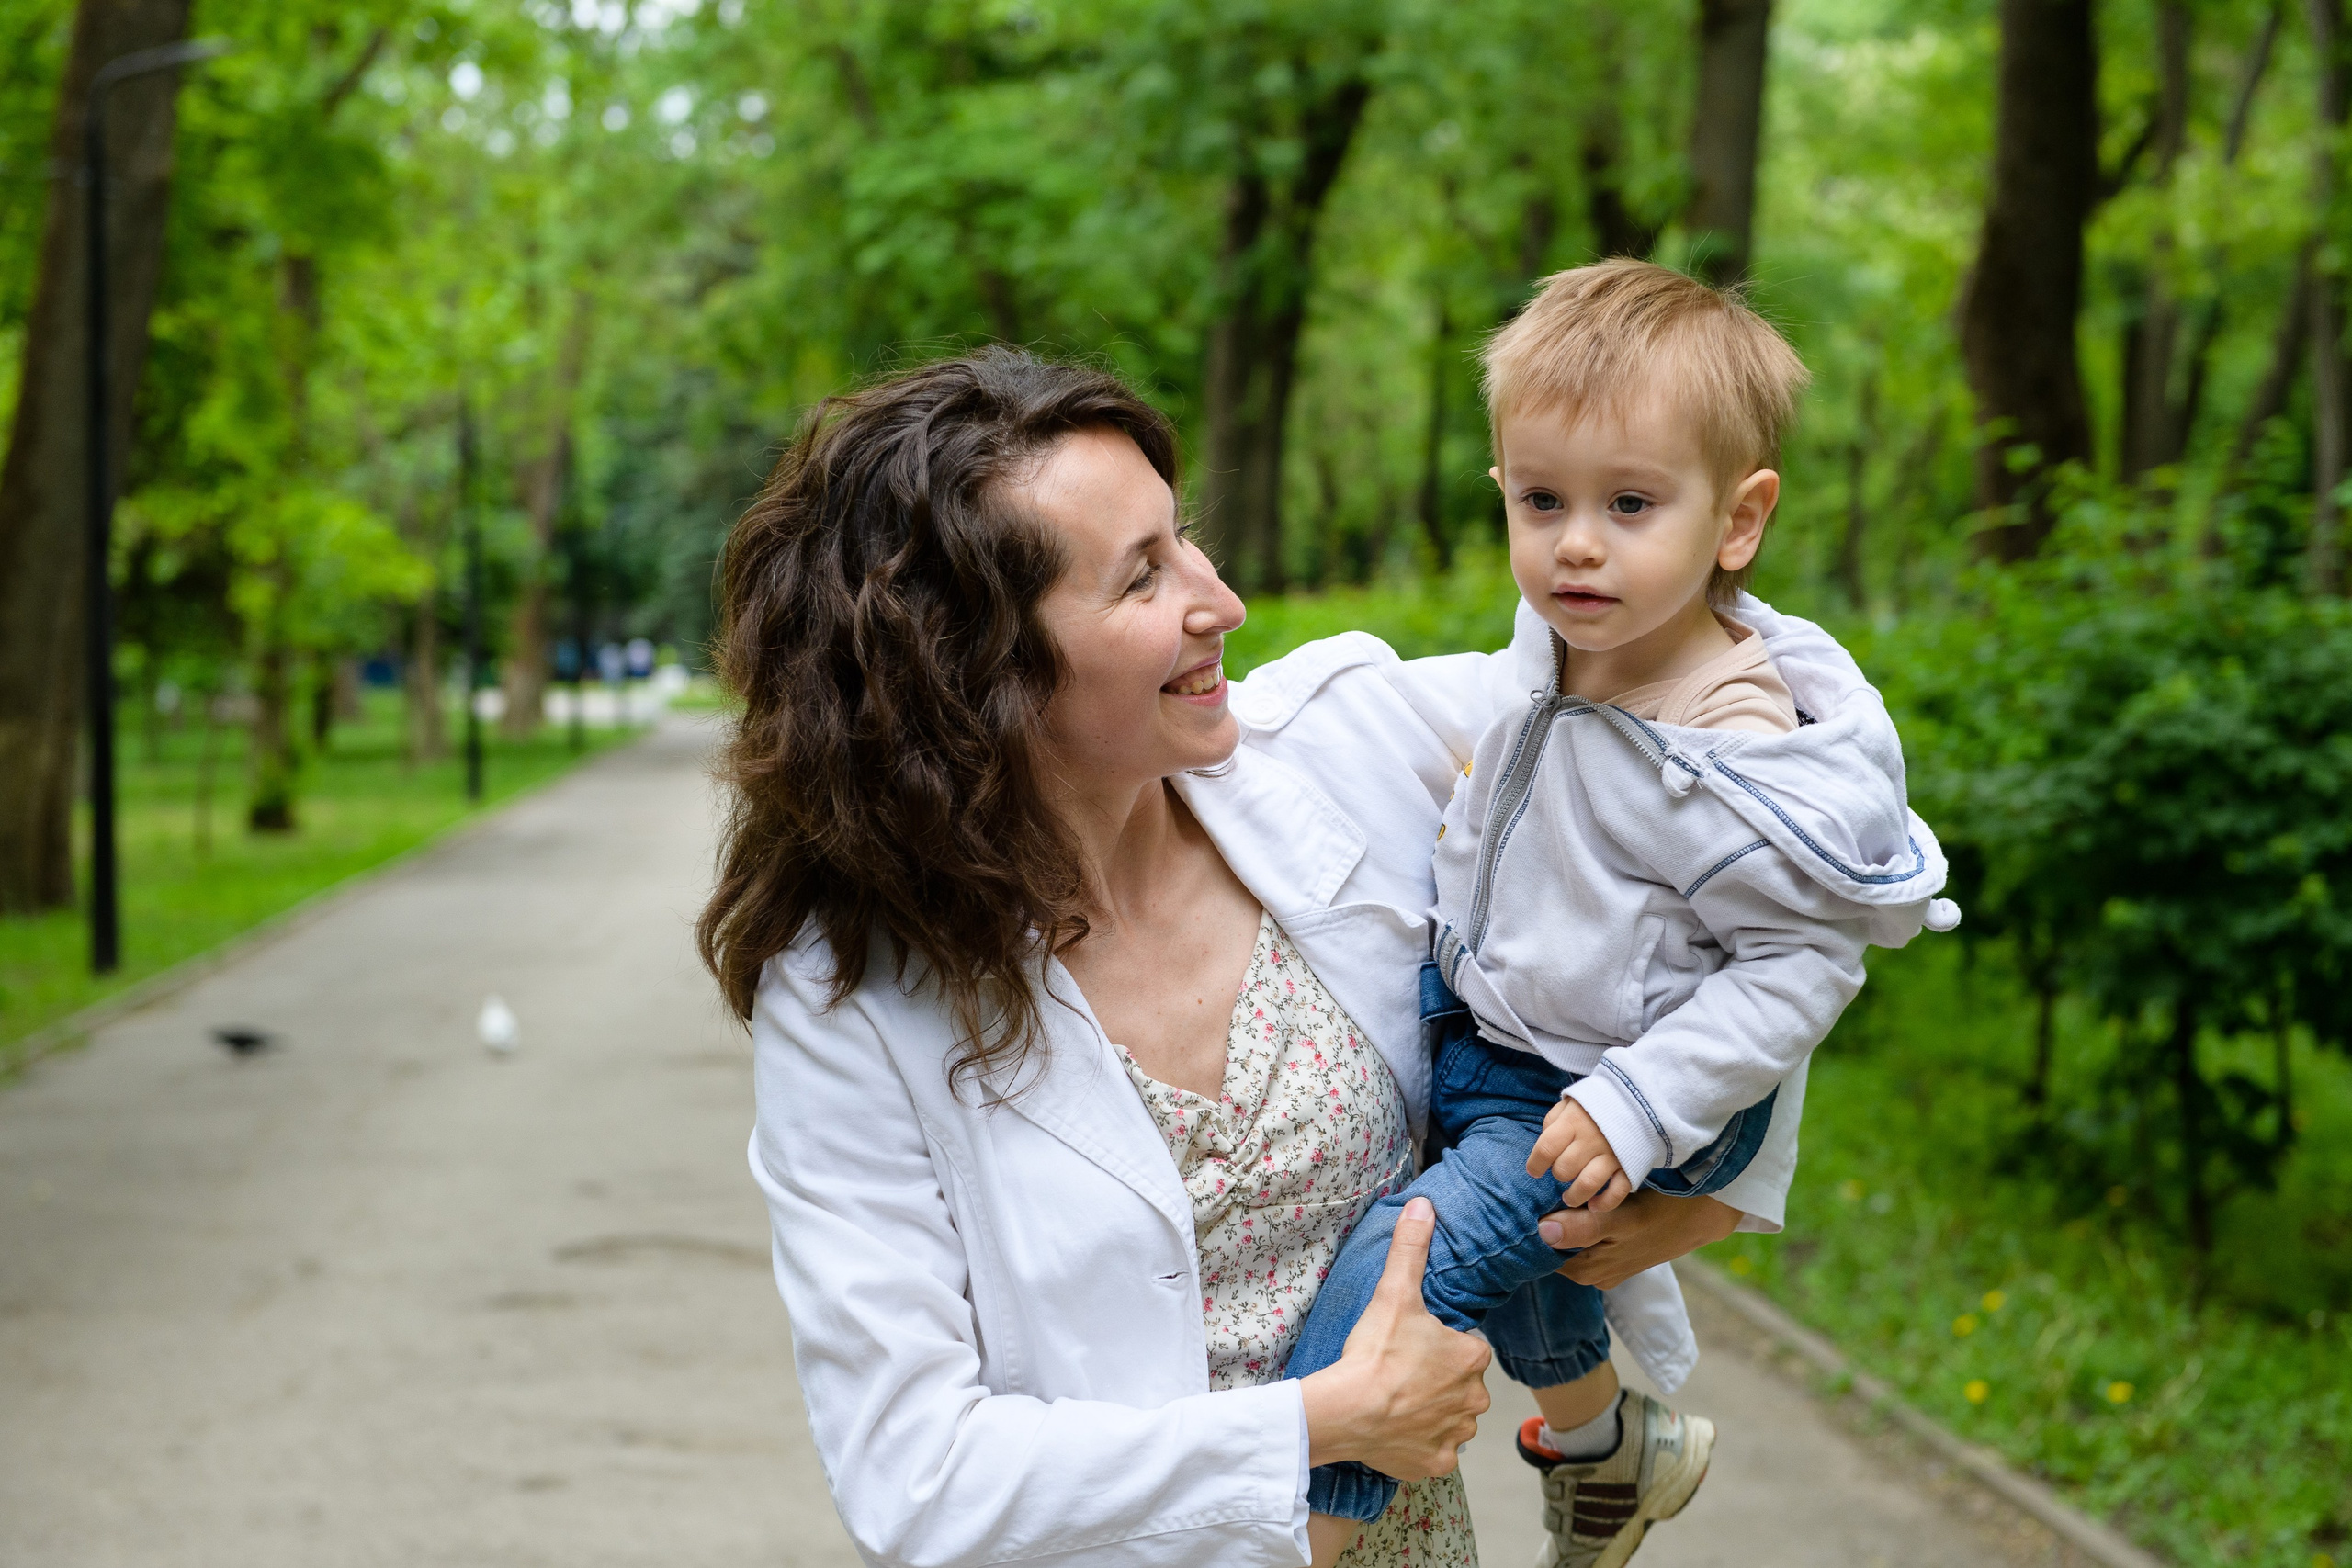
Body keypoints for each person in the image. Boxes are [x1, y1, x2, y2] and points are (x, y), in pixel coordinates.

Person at [703, 346, 1813, 1568]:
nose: (1218, 600)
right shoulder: (853, 998)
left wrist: (1702, 1192)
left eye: (1183, 538)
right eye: (1142, 577)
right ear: (972, 668)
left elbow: (1754, 843)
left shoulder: (1354, 746)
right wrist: (1324, 1426)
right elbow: (915, 1475)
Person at [1284, 260, 1959, 1568]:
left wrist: (1641, 1107)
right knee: (1533, 1266)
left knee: (1407, 1261)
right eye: (1542, 501)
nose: (1577, 543)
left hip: (1614, 1077)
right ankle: (1606, 1449)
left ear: (1738, 520)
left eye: (1630, 504)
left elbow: (1800, 967)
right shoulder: (1567, 645)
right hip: (1518, 1036)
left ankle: (1292, 1537)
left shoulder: (1731, 741)